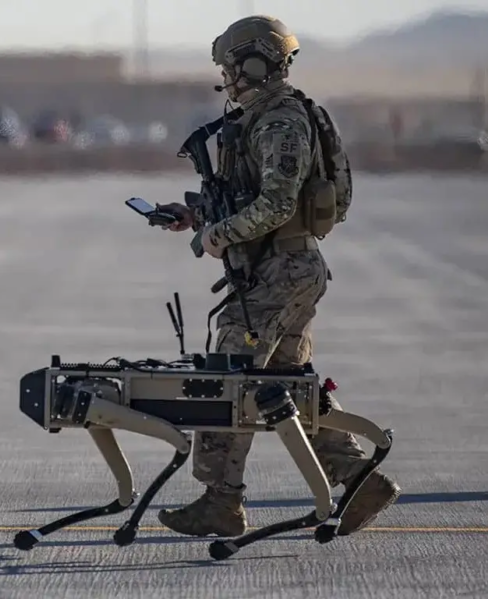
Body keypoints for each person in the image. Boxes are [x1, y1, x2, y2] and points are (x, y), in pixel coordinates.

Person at [154, 15, 401, 538]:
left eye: (231, 67)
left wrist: (215, 236)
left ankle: (221, 501)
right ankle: (360, 481)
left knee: (227, 378)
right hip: (281, 269)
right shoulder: (265, 118)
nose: (227, 78)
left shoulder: (280, 122)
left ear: (256, 64)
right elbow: (259, 203)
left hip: (280, 272)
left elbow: (276, 204)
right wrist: (197, 216)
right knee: (285, 387)